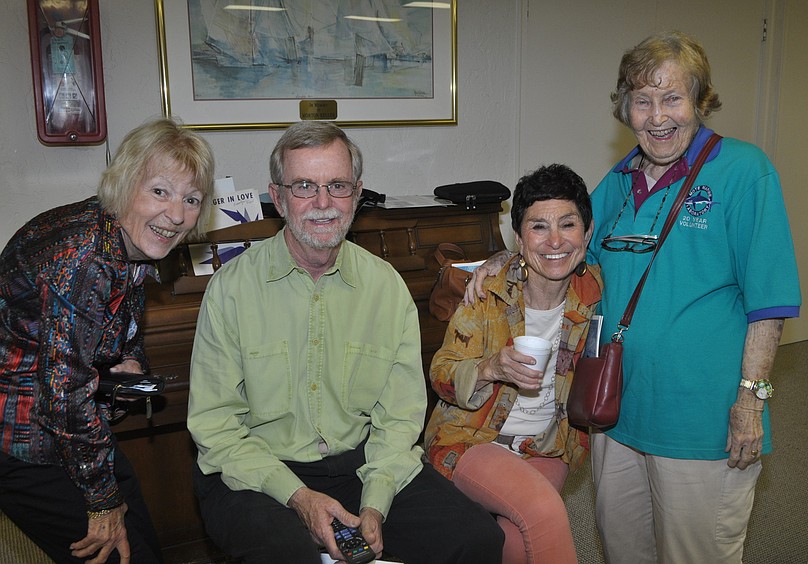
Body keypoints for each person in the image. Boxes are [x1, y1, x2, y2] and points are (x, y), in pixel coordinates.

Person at [467, 31, 801, 564]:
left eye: (673, 98)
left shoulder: (743, 171)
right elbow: (566, 244)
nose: (658, 115)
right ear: (626, 110)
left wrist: (750, 402)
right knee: (623, 549)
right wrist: (508, 258)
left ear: (700, 101)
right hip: (615, 410)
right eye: (643, 101)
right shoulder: (619, 181)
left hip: (700, 416)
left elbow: (770, 304)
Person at [186, 121, 503, 564]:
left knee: (476, 539)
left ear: (356, 195)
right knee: (284, 555)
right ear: (277, 198)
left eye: (337, 186)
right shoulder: (231, 289)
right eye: (304, 187)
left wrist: (375, 502)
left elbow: (398, 418)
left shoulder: (386, 287)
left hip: (360, 462)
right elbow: (217, 430)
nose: (322, 203)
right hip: (256, 469)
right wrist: (298, 497)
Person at [0, 117, 215, 563]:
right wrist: (101, 503)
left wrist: (129, 361)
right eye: (160, 191)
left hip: (63, 423)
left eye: (190, 199)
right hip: (21, 437)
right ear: (123, 185)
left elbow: (117, 321)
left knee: (139, 533)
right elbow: (63, 395)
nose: (176, 215)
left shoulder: (123, 237)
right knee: (119, 549)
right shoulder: (84, 258)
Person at [425, 164, 602, 564]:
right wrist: (490, 368)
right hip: (471, 439)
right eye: (538, 227)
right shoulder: (486, 291)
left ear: (587, 233)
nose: (555, 240)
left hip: (548, 445)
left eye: (568, 224)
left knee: (513, 541)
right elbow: (440, 374)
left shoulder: (597, 292)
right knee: (543, 511)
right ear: (520, 238)